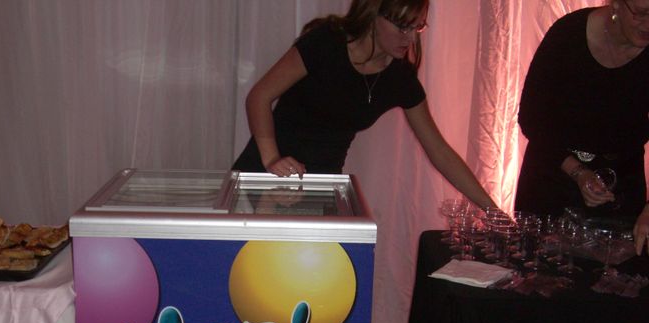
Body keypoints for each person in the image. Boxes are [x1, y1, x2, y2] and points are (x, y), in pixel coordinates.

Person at [232, 0, 498, 212]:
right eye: (402, 27)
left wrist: (493, 211)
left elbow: (439, 150)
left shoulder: (399, 77)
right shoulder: (327, 43)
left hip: (322, 186)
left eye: (417, 27)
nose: (410, 39)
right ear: (373, 15)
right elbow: (259, 97)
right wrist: (272, 159)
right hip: (267, 176)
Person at [516, 0, 649, 255]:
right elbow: (532, 117)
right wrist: (578, 172)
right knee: (539, 278)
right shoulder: (569, 34)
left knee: (618, 284)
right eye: (642, 13)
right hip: (553, 173)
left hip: (621, 184)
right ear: (617, 5)